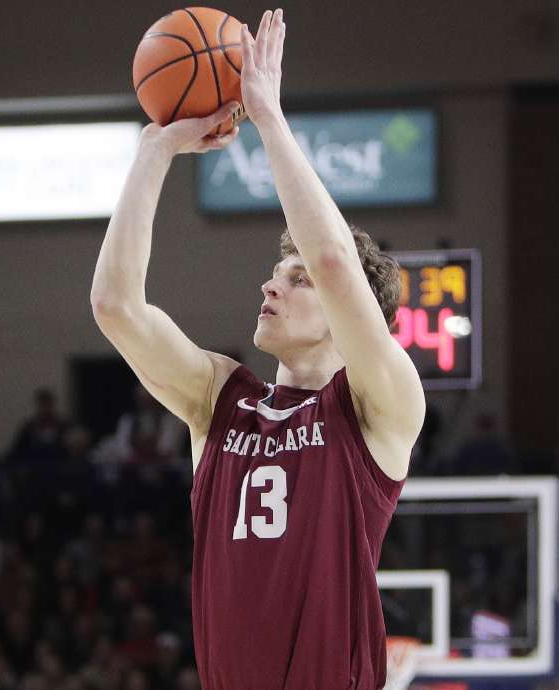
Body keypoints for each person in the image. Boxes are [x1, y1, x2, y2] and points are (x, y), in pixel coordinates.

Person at [90, 9, 424, 689]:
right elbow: (115, 307)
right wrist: (154, 150)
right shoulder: (222, 399)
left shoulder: (378, 405)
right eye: (275, 273)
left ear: (342, 313)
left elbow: (334, 261)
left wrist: (267, 116)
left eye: (294, 279)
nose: (272, 285)